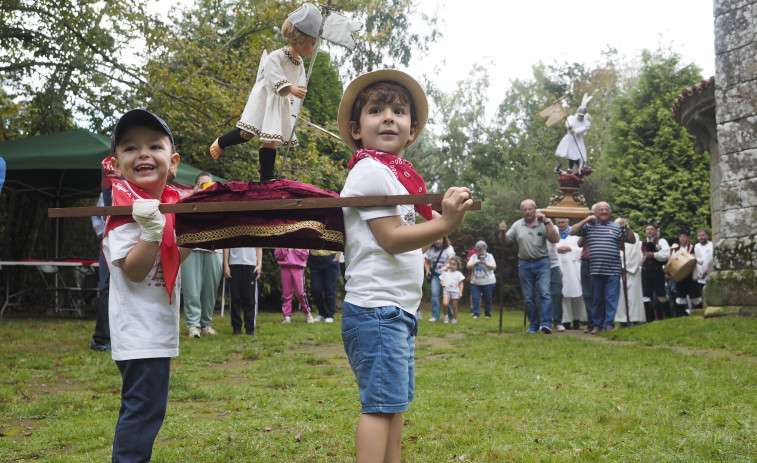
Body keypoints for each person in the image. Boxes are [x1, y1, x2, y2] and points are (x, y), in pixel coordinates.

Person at [337, 69, 472, 463]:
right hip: (377, 308)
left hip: (395, 309)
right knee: (379, 406)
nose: (388, 117)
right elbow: (392, 238)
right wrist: (444, 223)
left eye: (398, 111)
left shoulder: (395, 176)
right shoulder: (371, 171)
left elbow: (402, 237)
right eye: (376, 110)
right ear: (356, 128)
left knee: (392, 403)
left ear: (411, 130)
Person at [102, 109, 192, 462]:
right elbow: (136, 271)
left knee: (146, 413)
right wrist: (152, 230)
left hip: (155, 329)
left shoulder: (167, 207)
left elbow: (174, 255)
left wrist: (203, 230)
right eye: (130, 148)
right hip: (140, 334)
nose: (142, 153)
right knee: (141, 416)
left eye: (154, 146)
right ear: (116, 164)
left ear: (173, 162)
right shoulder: (124, 214)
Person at [208, 3, 321, 181]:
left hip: (280, 102)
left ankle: (266, 177)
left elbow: (292, 84)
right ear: (300, 40)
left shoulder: (299, 64)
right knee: (246, 133)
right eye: (312, 43)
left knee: (271, 140)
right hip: (266, 97)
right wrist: (290, 88)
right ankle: (221, 141)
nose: (314, 48)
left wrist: (291, 100)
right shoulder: (278, 56)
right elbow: (273, 75)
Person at [569, 202, 636, 334]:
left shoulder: (617, 228)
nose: (604, 212)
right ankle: (597, 325)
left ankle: (609, 324)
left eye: (606, 210)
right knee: (597, 299)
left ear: (610, 212)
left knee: (611, 299)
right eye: (601, 210)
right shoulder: (589, 226)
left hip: (613, 270)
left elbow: (632, 240)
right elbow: (572, 231)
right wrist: (587, 219)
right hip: (595, 270)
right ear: (596, 212)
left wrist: (627, 227)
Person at [499, 200, 560, 333]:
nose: (527, 212)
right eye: (524, 210)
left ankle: (546, 324)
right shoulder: (517, 225)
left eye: (530, 209)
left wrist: (547, 221)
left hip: (542, 262)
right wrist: (502, 232)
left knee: (544, 293)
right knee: (528, 297)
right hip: (525, 263)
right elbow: (505, 242)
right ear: (521, 211)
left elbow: (555, 239)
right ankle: (534, 324)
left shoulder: (543, 223)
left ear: (535, 209)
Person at [181, 172, 223, 338]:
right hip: (191, 249)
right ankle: (193, 326)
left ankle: (206, 324)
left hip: (213, 249)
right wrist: (195, 192)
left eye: (208, 184)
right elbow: (178, 206)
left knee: (210, 291)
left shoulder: (218, 201)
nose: (205, 186)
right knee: (192, 290)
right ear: (196, 184)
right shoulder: (189, 198)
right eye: (202, 183)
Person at [223, 247, 262, 336]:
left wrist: (259, 265)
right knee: (235, 298)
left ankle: (250, 328)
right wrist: (226, 264)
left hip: (251, 265)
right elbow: (226, 246)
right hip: (234, 264)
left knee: (250, 299)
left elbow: (259, 248)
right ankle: (236, 327)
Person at [613, 219, 645, 326]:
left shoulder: (633, 236)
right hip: (618, 270)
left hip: (631, 270)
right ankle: (623, 320)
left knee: (632, 296)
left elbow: (635, 253)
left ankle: (633, 319)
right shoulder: (613, 236)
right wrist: (619, 266)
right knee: (621, 296)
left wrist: (626, 266)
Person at [555, 218, 586, 329]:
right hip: (560, 267)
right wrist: (557, 249)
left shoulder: (574, 233)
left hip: (573, 267)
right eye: (558, 223)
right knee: (563, 295)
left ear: (568, 222)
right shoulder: (554, 234)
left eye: (563, 222)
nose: (561, 225)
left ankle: (577, 319)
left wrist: (570, 248)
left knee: (576, 294)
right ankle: (565, 320)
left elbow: (582, 249)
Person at [640, 221, 671, 321]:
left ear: (656, 231)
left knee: (661, 295)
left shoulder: (661, 241)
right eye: (648, 229)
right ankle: (649, 320)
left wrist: (654, 255)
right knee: (646, 296)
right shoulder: (641, 243)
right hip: (645, 272)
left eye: (652, 229)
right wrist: (642, 260)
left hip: (657, 271)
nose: (649, 231)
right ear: (645, 231)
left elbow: (666, 255)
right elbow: (637, 257)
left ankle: (667, 317)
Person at [274, 247, 313, 323]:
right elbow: (278, 255)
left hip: (298, 267)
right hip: (285, 267)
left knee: (300, 293)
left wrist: (295, 249)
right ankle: (287, 316)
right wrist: (285, 248)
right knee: (286, 294)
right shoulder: (282, 239)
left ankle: (307, 312)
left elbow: (305, 254)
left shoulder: (301, 239)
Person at [670, 228, 702, 316]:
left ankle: (699, 315)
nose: (682, 238)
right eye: (680, 237)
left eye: (684, 236)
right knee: (680, 299)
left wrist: (694, 257)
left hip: (691, 277)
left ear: (688, 238)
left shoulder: (694, 247)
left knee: (696, 298)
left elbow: (701, 260)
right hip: (680, 277)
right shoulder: (675, 250)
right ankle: (681, 317)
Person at [423, 236, 455, 322]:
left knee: (447, 295)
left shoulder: (448, 248)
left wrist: (446, 266)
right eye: (436, 239)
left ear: (443, 240)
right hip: (436, 275)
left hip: (446, 275)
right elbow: (426, 262)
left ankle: (451, 316)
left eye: (440, 239)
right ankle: (435, 316)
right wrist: (427, 270)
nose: (438, 241)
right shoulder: (430, 249)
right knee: (434, 294)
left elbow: (451, 259)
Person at [308, 249, 341, 323]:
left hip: (330, 258)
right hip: (315, 259)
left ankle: (329, 315)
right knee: (315, 289)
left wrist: (338, 255)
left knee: (330, 290)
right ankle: (321, 313)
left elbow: (341, 239)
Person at [466, 240, 496, 319]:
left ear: (485, 249)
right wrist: (475, 263)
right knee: (475, 298)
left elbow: (494, 267)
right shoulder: (474, 257)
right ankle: (476, 314)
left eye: (482, 250)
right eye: (479, 251)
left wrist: (485, 263)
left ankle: (487, 314)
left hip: (488, 281)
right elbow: (468, 266)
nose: (481, 252)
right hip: (475, 282)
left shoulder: (490, 256)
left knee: (487, 298)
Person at [440, 256, 465, 324]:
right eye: (451, 264)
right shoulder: (445, 273)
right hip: (446, 291)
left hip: (455, 291)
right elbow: (441, 280)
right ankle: (446, 316)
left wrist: (460, 292)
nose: (452, 265)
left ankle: (454, 318)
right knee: (445, 304)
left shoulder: (459, 274)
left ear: (457, 265)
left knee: (454, 306)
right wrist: (442, 284)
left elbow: (461, 284)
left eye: (454, 264)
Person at [693, 227, 714, 293]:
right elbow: (698, 260)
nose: (701, 237)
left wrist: (708, 270)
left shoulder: (712, 245)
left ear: (707, 236)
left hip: (711, 276)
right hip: (700, 279)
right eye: (699, 235)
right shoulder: (696, 246)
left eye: (702, 235)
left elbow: (714, 259)